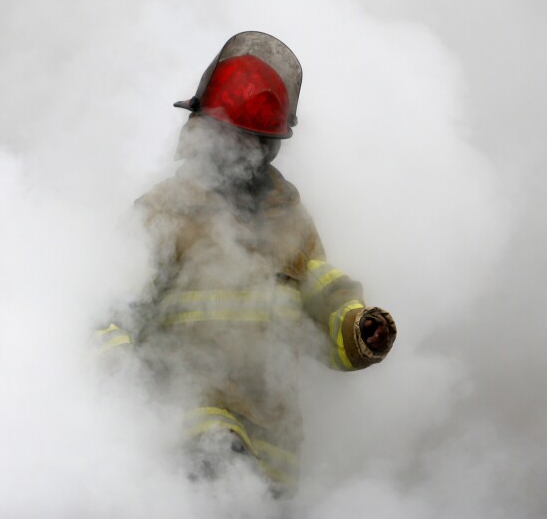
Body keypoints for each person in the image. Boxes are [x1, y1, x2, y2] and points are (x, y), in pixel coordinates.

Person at [95, 31, 397, 496]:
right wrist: (123, 377)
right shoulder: (163, 213)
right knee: (215, 469)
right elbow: (110, 307)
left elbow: (324, 297)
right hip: (188, 430)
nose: (241, 155)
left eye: (253, 143)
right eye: (231, 139)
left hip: (272, 456)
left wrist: (358, 329)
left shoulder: (290, 220)